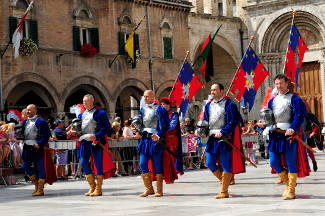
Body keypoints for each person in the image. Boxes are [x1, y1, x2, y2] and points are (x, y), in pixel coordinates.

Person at [258, 74, 310, 200]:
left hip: (289, 135)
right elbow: (269, 119)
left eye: (281, 83)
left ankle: (291, 191)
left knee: (290, 161)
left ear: (287, 83)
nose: (279, 86)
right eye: (276, 84)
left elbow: (299, 117)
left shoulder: (295, 99)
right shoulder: (272, 101)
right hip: (275, 135)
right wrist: (263, 125)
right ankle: (288, 183)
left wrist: (293, 127)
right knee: (274, 162)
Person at [203, 83, 245, 199]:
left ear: (222, 91)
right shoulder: (208, 105)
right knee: (210, 163)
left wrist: (223, 132)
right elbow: (206, 121)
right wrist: (201, 129)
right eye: (211, 90)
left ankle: (224, 191)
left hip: (224, 138)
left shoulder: (229, 104)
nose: (212, 92)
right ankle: (226, 180)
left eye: (215, 90)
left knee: (225, 164)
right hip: (212, 138)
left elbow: (232, 122)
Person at [78, 94, 115, 196]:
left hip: (96, 142)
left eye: (86, 101)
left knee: (98, 164)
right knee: (84, 163)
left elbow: (105, 127)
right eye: (83, 101)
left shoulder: (100, 113)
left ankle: (98, 188)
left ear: (92, 101)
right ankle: (92, 186)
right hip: (85, 141)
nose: (84, 103)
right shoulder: (81, 115)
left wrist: (97, 136)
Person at [138, 90, 169, 197]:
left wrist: (158, 136)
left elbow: (166, 126)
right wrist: (138, 130)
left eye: (147, 96)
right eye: (144, 96)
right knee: (142, 163)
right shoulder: (142, 110)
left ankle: (159, 190)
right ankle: (149, 188)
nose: (145, 98)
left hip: (156, 141)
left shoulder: (160, 109)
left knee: (157, 165)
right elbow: (141, 124)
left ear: (153, 96)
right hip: (145, 140)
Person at [22, 104, 57, 196]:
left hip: (37, 147)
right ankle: (37, 185)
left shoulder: (41, 121)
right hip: (27, 146)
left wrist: (40, 144)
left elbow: (46, 135)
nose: (27, 111)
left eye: (29, 110)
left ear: (35, 111)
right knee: (25, 166)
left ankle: (40, 189)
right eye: (27, 110)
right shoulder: (25, 122)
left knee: (41, 167)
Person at [160, 97, 183, 183]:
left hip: (172, 139)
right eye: (161, 104)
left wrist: (162, 129)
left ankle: (171, 176)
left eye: (164, 104)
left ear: (168, 105)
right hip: (163, 139)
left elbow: (172, 126)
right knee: (164, 158)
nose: (162, 106)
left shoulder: (174, 114)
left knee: (171, 158)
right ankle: (166, 175)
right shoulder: (160, 114)